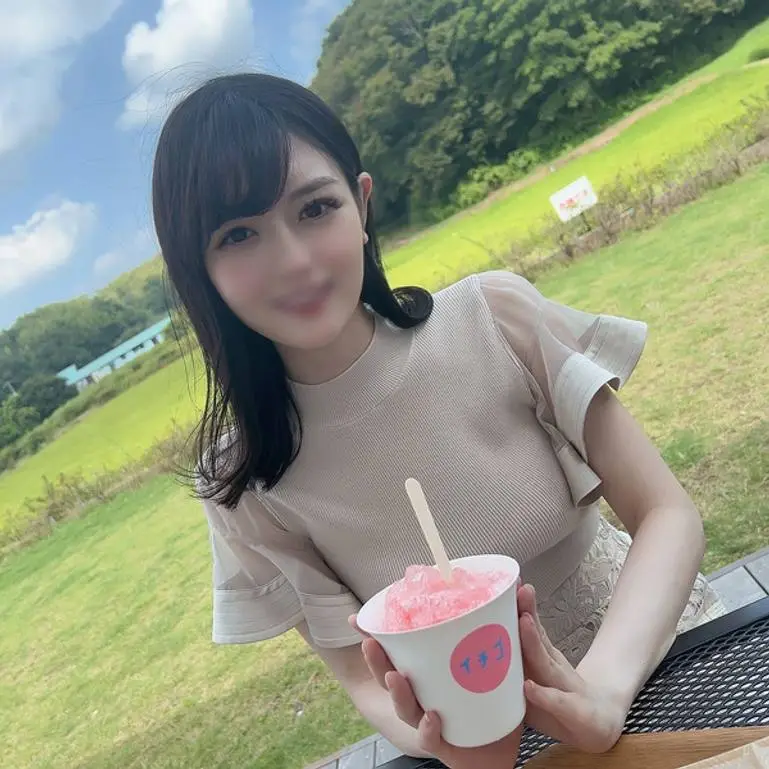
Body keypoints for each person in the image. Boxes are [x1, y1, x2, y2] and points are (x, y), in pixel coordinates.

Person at [152, 73, 726, 769]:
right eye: (239, 234)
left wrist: (602, 689)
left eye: (315, 208)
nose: (293, 262)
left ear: (361, 204)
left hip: (672, 668)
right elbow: (359, 673)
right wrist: (445, 745)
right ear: (198, 270)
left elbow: (665, 511)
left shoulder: (495, 319)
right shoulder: (242, 480)